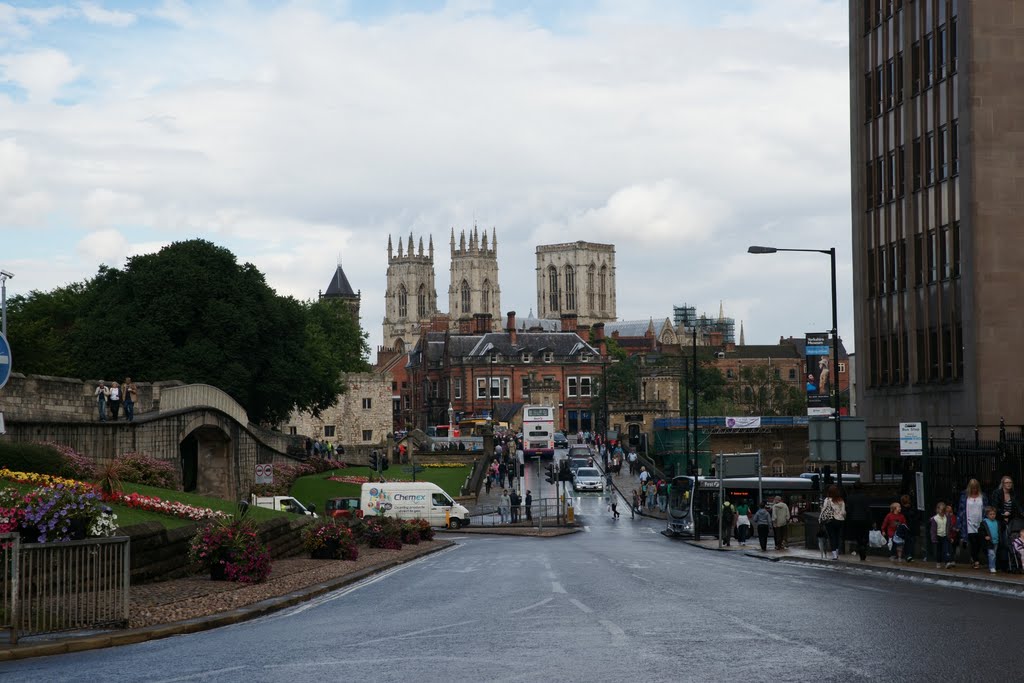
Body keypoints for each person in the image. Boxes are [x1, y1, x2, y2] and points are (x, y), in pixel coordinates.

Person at [990, 475, 1021, 571]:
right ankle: (1002, 564)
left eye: (1010, 483)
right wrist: (1003, 514)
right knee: (1002, 541)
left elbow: (1017, 506)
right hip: (1000, 520)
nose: (1009, 484)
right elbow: (994, 506)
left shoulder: (1013, 494)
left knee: (1010, 541)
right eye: (1007, 483)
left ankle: (1011, 564)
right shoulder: (997, 493)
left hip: (1010, 520)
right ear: (1003, 484)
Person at [957, 478, 988, 570]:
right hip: (969, 522)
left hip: (980, 522)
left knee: (979, 542)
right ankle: (976, 561)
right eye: (972, 488)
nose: (974, 489)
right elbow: (961, 510)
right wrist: (959, 524)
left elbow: (986, 508)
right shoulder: (964, 496)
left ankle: (973, 557)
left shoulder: (983, 496)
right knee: (973, 541)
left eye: (976, 488)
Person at [819, 485, 847, 560]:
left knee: (832, 537)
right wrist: (841, 515)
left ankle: (834, 554)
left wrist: (821, 518)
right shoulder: (841, 500)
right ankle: (837, 552)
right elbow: (844, 512)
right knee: (838, 536)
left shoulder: (827, 500)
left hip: (830, 520)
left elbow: (824, 510)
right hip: (839, 520)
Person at [845, 483, 871, 561]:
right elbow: (868, 510)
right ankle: (864, 548)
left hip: (854, 519)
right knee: (865, 535)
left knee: (858, 537)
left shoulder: (850, 497)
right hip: (864, 519)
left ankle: (861, 549)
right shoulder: (865, 497)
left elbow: (848, 510)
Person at [930, 502, 954, 569]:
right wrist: (933, 538)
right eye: (941, 510)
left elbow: (949, 526)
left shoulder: (947, 517)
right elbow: (933, 530)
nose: (942, 512)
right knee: (939, 551)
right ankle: (938, 562)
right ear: (937, 510)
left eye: (944, 511)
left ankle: (947, 562)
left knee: (946, 550)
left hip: (945, 536)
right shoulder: (935, 519)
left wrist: (950, 535)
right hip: (938, 536)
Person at [899, 494, 920, 562]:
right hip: (911, 528)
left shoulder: (902, 510)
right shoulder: (912, 509)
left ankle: (908, 555)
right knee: (911, 542)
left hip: (907, 528)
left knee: (908, 542)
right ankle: (909, 555)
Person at [981, 506, 1000, 574]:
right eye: (990, 514)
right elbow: (981, 530)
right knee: (991, 554)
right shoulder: (984, 522)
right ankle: (992, 567)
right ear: (987, 515)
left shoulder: (997, 522)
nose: (992, 516)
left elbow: (999, 530)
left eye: (994, 514)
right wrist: (985, 536)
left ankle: (993, 566)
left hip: (996, 541)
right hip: (989, 542)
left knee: (994, 554)